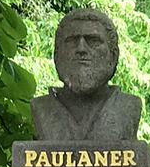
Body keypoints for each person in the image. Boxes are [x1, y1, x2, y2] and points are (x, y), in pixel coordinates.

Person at [31, 8, 142, 141]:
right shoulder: (42, 107)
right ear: (57, 55)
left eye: (93, 41)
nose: (81, 48)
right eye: (72, 41)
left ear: (113, 55)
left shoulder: (128, 107)